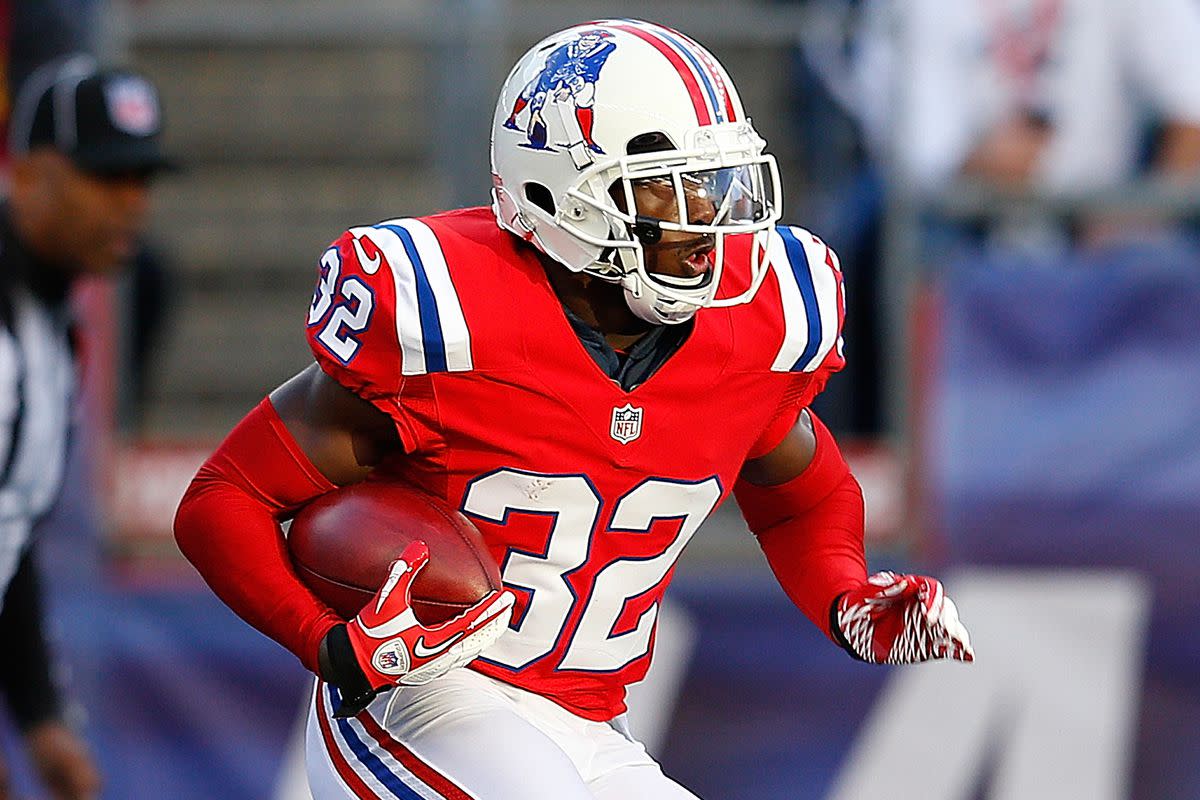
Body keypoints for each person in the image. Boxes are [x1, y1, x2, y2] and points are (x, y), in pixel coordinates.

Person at [174, 19, 973, 799]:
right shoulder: (450, 316)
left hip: (593, 724)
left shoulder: (754, 321)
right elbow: (224, 497)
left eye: (711, 179)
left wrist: (845, 595)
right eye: (665, 181)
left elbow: (802, 495)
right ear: (560, 193)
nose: (706, 214)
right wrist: (330, 647)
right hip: (421, 703)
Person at [0, 55, 172, 799]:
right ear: (32, 174)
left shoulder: (52, 319)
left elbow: (8, 532)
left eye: (142, 179)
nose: (131, 203)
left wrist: (39, 716)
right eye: (106, 177)